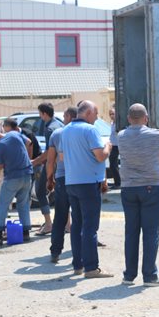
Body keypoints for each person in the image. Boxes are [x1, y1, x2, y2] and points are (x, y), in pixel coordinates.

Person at [117, 103, 159, 286]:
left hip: (128, 187)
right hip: (150, 186)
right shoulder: (156, 135)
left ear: (128, 118)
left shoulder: (121, 136)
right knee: (150, 232)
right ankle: (150, 276)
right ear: (146, 118)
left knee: (131, 232)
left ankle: (129, 275)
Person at [61, 100, 112, 278]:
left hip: (71, 182)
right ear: (88, 113)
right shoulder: (90, 130)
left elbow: (62, 156)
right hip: (88, 182)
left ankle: (78, 265)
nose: (97, 118)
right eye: (96, 114)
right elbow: (100, 156)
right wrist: (108, 147)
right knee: (90, 226)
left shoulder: (65, 130)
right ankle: (91, 268)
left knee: (77, 225)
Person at [0, 124, 33, 245]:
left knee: (2, 205)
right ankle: (25, 233)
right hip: (27, 175)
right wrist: (22, 156)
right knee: (23, 204)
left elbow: (0, 166)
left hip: (12, 178)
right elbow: (28, 142)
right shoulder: (14, 134)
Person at [46, 106, 77, 263]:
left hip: (62, 179)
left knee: (60, 216)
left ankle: (55, 251)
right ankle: (79, 251)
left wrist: (49, 179)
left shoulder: (57, 134)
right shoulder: (84, 132)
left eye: (64, 116)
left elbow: (50, 160)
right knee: (79, 216)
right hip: (79, 178)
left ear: (69, 116)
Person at [32, 102, 62, 235]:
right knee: (61, 194)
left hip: (53, 164)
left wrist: (35, 161)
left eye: (40, 114)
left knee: (40, 191)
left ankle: (49, 223)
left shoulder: (49, 128)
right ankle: (67, 224)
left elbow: (50, 152)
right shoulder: (59, 124)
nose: (40, 116)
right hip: (62, 164)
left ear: (44, 114)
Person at [108, 107, 121, 189]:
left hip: (117, 146)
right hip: (113, 145)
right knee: (113, 164)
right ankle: (117, 182)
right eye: (110, 114)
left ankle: (118, 183)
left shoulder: (118, 124)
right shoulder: (112, 123)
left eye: (113, 114)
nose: (111, 116)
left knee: (113, 165)